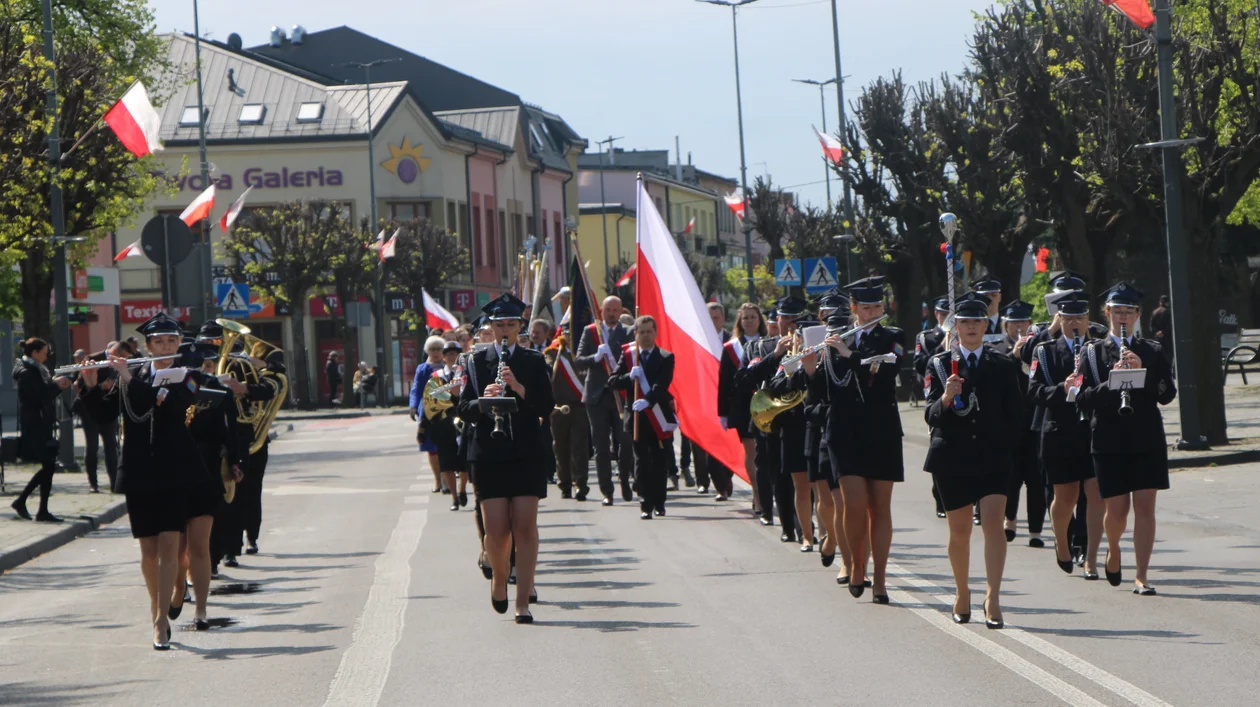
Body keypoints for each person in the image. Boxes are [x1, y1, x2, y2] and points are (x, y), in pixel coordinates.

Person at [923, 292, 1023, 629]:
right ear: (955, 326)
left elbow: (1015, 415)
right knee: (960, 530)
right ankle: (962, 591)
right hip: (953, 455)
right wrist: (947, 398)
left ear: (986, 325)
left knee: (993, 524)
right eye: (963, 321)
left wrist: (1009, 450)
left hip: (993, 455)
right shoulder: (939, 364)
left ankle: (993, 596)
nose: (970, 327)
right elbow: (931, 415)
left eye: (976, 321)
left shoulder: (1004, 364)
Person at [457, 293, 554, 623]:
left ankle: (522, 600)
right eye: (499, 325)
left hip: (526, 451)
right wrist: (484, 400)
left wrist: (519, 388)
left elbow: (545, 406)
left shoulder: (533, 360)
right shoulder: (476, 360)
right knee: (497, 532)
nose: (504, 330)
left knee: (525, 527)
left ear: (519, 327)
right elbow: (464, 409)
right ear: (491, 327)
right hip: (489, 453)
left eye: (511, 325)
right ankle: (499, 581)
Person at [109, 313, 203, 650]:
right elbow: (102, 414)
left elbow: (168, 404)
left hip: (174, 471)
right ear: (147, 346)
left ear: (179, 345)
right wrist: (90, 384)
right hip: (138, 472)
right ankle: (156, 606)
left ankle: (161, 620)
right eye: (159, 342)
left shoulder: (189, 377)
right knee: (148, 552)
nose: (166, 347)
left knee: (168, 548)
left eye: (172, 341)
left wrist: (128, 379)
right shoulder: (129, 375)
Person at [1077, 283, 1177, 596]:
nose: (1123, 316)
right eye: (1117, 310)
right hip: (1109, 439)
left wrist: (1143, 371)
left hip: (1146, 437)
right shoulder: (1092, 352)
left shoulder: (1152, 350)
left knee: (1145, 508)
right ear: (1106, 313)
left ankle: (1142, 575)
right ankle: (1114, 548)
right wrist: (1112, 382)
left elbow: (1167, 395)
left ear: (1137, 315)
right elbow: (1080, 398)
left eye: (1129, 312)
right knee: (1117, 513)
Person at [823, 276, 905, 603]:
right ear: (854, 308)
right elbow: (835, 385)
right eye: (866, 307)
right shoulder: (836, 339)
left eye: (877, 307)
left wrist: (851, 356)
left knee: (879, 506)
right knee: (854, 504)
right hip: (845, 431)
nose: (872, 313)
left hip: (882, 430)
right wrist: (841, 353)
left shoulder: (892, 336)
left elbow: (888, 373)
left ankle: (881, 579)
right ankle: (857, 564)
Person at [1026, 293, 1105, 580]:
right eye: (1069, 318)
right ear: (1059, 320)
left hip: (1094, 430)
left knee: (1096, 495)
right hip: (1059, 431)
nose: (1075, 324)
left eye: (1080, 318)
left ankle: (1091, 557)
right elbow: (1034, 391)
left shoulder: (1099, 349)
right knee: (1066, 495)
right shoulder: (1045, 351)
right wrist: (1062, 388)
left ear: (1088, 320)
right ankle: (1062, 540)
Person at [175, 340, 245, 631]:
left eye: (198, 362)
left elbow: (229, 431)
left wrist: (235, 463)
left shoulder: (217, 392)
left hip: (205, 473)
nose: (194, 368)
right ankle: (179, 590)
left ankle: (201, 609)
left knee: (199, 546)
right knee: (176, 549)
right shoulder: (157, 387)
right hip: (170, 475)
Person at [793, 291, 850, 569]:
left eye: (840, 314)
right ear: (820, 317)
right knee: (825, 496)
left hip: (844, 425)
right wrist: (804, 363)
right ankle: (828, 536)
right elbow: (800, 387)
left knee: (843, 498)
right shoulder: (810, 339)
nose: (833, 320)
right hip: (817, 424)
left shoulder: (852, 342)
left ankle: (842, 554)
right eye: (828, 315)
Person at [744, 296, 808, 541]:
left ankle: (803, 524)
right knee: (779, 475)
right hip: (773, 420)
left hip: (801, 418)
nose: (791, 324)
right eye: (786, 318)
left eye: (796, 319)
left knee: (804, 475)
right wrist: (777, 354)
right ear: (776, 320)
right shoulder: (761, 347)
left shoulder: (810, 343)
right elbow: (748, 378)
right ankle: (788, 527)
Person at [608, 315, 676, 520]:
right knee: (641, 461)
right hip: (636, 418)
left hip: (658, 416)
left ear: (655, 333)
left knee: (659, 461)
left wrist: (649, 400)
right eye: (641, 332)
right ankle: (645, 503)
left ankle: (659, 502)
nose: (645, 335)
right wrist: (629, 377)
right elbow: (613, 381)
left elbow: (661, 384)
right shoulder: (629, 355)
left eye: (649, 331)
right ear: (635, 334)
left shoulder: (666, 356)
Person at [574, 296, 636, 505]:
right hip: (596, 397)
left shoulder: (628, 333)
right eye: (608, 310)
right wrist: (596, 357)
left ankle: (625, 479)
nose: (611, 313)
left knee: (625, 442)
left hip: (620, 395)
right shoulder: (591, 332)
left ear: (620, 312)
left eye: (615, 310)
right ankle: (607, 491)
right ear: (602, 310)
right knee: (601, 446)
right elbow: (579, 360)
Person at [995, 300, 1046, 547]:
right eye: (1014, 322)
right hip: (1009, 424)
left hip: (1035, 421)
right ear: (1005, 325)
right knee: (1011, 476)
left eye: (1023, 322)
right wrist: (1014, 356)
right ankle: (1010, 518)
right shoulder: (998, 349)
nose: (1019, 326)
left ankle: (1036, 530)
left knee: (1036, 478)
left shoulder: (1039, 347)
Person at [10, 339, 72, 521]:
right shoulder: (27, 373)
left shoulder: (35, 371)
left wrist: (55, 385)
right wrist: (57, 386)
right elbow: (39, 397)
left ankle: (35, 507)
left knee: (49, 466)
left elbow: (43, 392)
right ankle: (27, 503)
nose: (47, 356)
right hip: (34, 424)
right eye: (45, 352)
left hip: (40, 423)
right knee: (48, 465)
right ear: (35, 353)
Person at [720, 303, 766, 508]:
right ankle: (757, 493)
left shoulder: (769, 343)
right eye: (745, 318)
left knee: (766, 451)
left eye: (752, 317)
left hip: (767, 403)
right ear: (740, 321)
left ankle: (767, 489)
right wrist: (722, 412)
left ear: (759, 320)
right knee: (751, 450)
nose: (748, 321)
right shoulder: (731, 348)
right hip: (742, 407)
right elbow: (724, 381)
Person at [419, 341, 467, 511]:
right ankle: (454, 497)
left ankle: (462, 490)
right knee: (447, 462)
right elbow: (429, 400)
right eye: (449, 354)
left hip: (464, 422)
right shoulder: (436, 376)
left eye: (456, 354)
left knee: (465, 462)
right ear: (444, 357)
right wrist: (423, 427)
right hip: (443, 424)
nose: (452, 357)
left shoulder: (467, 373)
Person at [694, 302, 735, 499]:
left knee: (729, 442)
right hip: (704, 399)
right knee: (708, 445)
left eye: (716, 318)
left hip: (727, 399)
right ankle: (719, 487)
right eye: (708, 318)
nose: (712, 322)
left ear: (723, 319)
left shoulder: (732, 341)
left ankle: (727, 477)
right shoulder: (696, 341)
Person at [547, 332, 592, 500]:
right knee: (561, 448)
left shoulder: (584, 352)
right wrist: (556, 358)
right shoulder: (552, 352)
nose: (570, 334)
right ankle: (565, 484)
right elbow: (549, 371)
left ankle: (581, 485)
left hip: (579, 407)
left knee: (579, 448)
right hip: (559, 408)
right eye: (566, 331)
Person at [73, 348, 122, 493]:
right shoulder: (93, 359)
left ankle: (115, 483)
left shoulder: (118, 365)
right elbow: (78, 386)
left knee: (111, 447)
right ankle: (93, 484)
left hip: (108, 410)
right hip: (89, 412)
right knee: (92, 446)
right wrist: (100, 386)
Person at [409, 337, 448, 494]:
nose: (436, 352)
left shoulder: (448, 368)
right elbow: (416, 389)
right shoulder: (422, 369)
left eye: (439, 349)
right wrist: (413, 407)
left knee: (445, 448)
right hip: (427, 412)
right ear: (427, 351)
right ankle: (437, 479)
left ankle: (446, 479)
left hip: (446, 411)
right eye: (433, 349)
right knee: (431, 448)